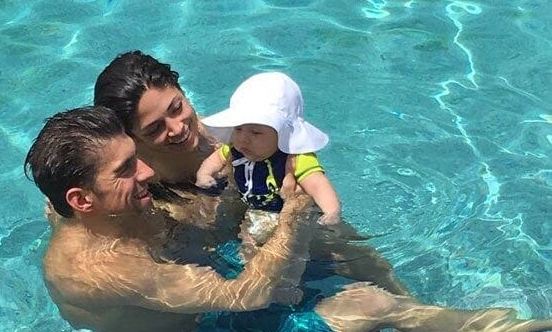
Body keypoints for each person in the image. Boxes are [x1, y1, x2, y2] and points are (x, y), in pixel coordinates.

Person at [24, 107, 552, 332]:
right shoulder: (104, 267)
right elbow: (244, 297)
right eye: (125, 169)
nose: (145, 171)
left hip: (186, 302)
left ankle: (403, 296)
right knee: (365, 305)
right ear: (81, 200)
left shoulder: (76, 210)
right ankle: (461, 330)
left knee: (283, 233)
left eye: (136, 155)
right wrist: (297, 213)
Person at [94, 50, 409, 295]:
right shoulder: (140, 182)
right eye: (154, 129)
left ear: (181, 90)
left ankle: (416, 308)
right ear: (131, 137)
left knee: (350, 251)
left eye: (176, 108)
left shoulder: (228, 134)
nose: (178, 129)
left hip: (267, 212)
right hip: (223, 254)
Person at [196, 71, 341, 224]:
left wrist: (331, 212)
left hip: (283, 215)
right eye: (238, 128)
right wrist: (204, 174)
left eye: (256, 132)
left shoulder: (297, 158)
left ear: (282, 133)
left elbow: (318, 184)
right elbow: (216, 159)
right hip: (251, 205)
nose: (243, 138)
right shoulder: (235, 148)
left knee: (253, 240)